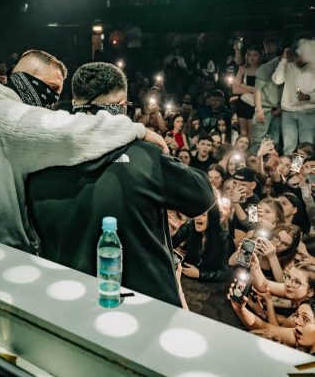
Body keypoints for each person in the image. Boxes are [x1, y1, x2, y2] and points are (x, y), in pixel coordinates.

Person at [27, 62, 215, 306]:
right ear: (122, 106)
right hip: (146, 305)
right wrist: (162, 154)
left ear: (74, 103)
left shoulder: (40, 159)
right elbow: (203, 195)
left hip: (69, 299)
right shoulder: (146, 156)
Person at [0, 50, 168, 253]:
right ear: (27, 79)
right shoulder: (6, 115)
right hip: (1, 247)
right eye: (51, 88)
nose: (52, 101)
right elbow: (72, 134)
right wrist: (137, 130)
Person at [272, 40, 315, 155]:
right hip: (288, 111)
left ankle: (303, 166)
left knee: (306, 147)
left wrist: (309, 97)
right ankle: (290, 167)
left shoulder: (313, 67)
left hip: (308, 112)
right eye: (295, 56)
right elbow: (277, 80)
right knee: (289, 146)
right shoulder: (287, 66)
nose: (298, 59)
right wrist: (284, 60)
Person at [172, 207, 230, 282]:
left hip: (211, 285)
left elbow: (226, 274)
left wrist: (200, 274)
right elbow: (171, 242)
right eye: (197, 213)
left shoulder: (224, 238)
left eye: (203, 215)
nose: (198, 217)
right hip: (187, 278)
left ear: (212, 218)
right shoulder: (191, 226)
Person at [233, 46, 262, 139]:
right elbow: (235, 89)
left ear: (260, 56)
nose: (252, 58)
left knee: (252, 134)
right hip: (243, 103)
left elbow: (259, 90)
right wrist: (252, 90)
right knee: (243, 134)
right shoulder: (243, 69)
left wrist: (242, 86)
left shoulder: (263, 70)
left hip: (255, 104)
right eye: (249, 55)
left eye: (255, 55)